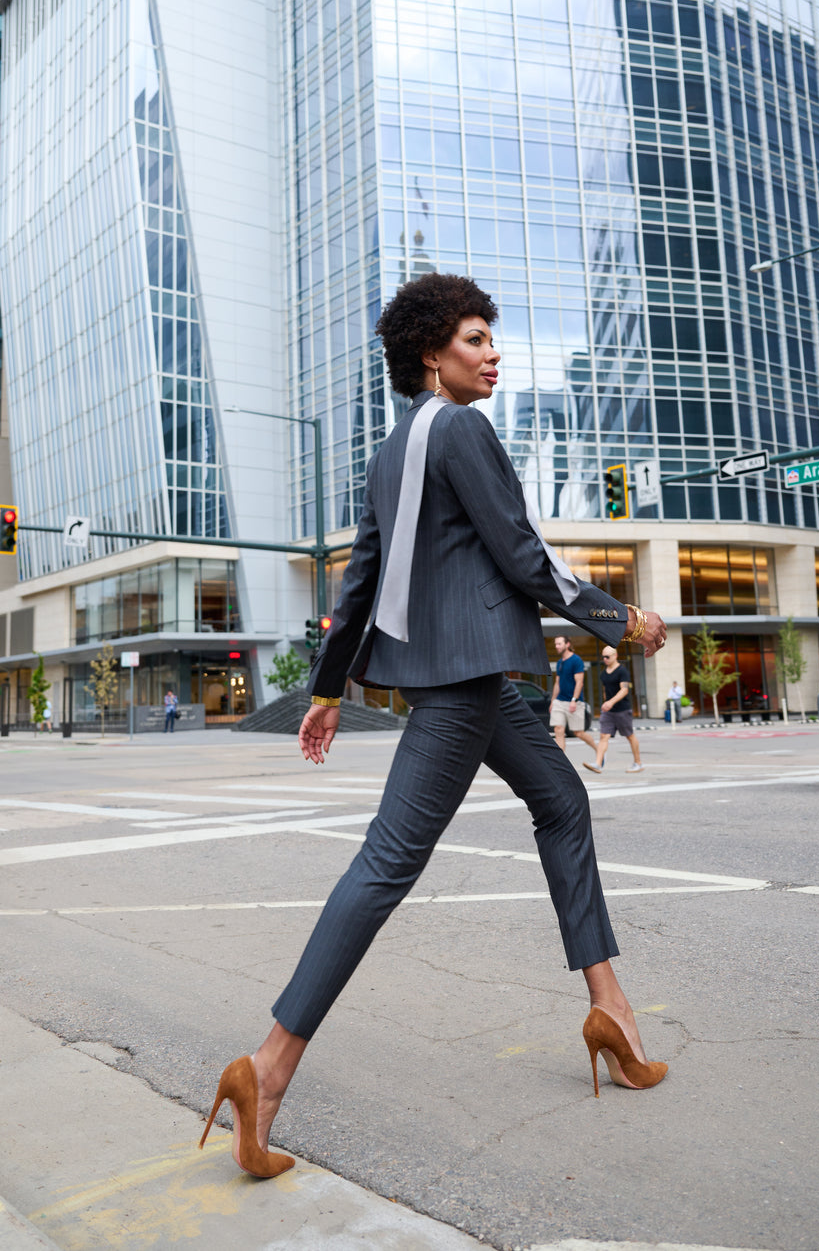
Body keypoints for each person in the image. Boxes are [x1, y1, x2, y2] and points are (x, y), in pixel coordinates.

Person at [198, 273, 668, 1179]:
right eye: (476, 339)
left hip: (472, 683)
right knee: (385, 865)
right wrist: (622, 620)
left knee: (564, 803)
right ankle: (267, 1068)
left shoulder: (388, 451)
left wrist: (330, 689)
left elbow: (358, 584)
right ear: (431, 354)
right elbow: (524, 553)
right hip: (465, 687)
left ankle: (610, 1007)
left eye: (493, 339)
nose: (494, 354)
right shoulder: (461, 429)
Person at [584, 645, 644, 773]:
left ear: (615, 656)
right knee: (603, 736)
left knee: (629, 736)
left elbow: (624, 690)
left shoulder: (623, 672)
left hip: (622, 710)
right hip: (608, 712)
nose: (605, 659)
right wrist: (606, 703)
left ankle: (638, 763)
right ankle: (598, 764)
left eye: (607, 657)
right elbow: (606, 690)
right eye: (603, 657)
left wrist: (611, 702)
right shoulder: (603, 674)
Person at [549, 635, 599, 756]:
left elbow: (579, 682)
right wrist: (552, 701)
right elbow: (557, 683)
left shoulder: (576, 660)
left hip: (574, 702)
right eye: (556, 644)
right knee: (558, 729)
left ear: (567, 644)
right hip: (559, 701)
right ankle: (561, 761)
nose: (557, 646)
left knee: (578, 733)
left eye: (559, 644)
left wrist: (574, 700)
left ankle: (599, 751)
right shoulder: (560, 662)